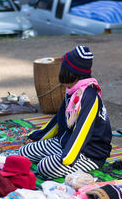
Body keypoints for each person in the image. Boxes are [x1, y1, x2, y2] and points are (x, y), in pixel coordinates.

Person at [18, 45, 112, 179]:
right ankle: (56, 158)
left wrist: (66, 158)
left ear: (74, 74)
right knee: (24, 151)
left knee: (45, 166)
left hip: (88, 152)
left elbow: (82, 132)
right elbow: (59, 119)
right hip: (65, 143)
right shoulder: (72, 90)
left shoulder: (90, 97)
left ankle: (67, 162)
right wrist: (37, 136)